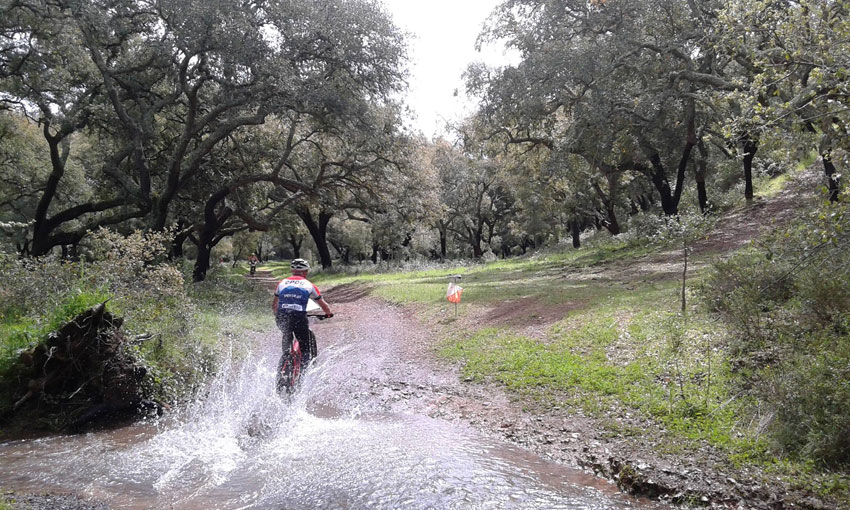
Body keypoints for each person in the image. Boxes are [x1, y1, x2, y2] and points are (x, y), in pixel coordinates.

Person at [271, 258, 333, 372]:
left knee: (287, 333)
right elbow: (323, 305)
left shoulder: (282, 283)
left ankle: (286, 357)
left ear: (292, 271)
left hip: (282, 316)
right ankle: (304, 372)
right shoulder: (309, 285)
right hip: (298, 317)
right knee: (305, 348)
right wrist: (328, 313)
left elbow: (274, 304)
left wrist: (277, 315)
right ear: (306, 272)